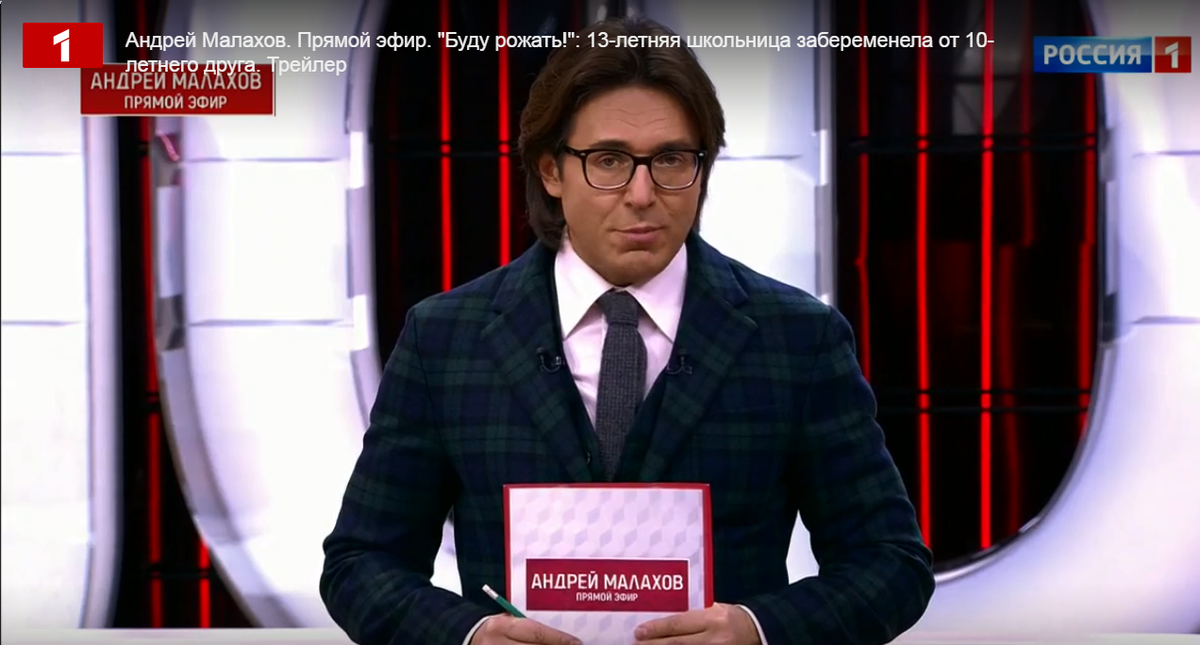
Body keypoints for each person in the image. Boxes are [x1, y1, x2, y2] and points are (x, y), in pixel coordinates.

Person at [320, 15, 934, 645]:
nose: (642, 193)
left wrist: (759, 630)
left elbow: (890, 563)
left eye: (671, 159)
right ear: (551, 170)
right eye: (609, 160)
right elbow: (361, 562)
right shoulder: (445, 339)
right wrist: (468, 635)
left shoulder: (798, 338)